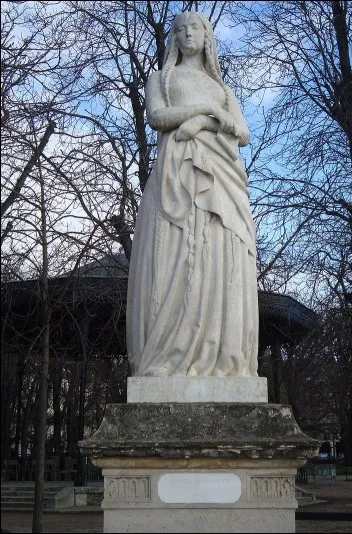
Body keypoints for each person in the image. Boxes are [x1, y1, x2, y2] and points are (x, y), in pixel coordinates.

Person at [126, 11, 259, 377]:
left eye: (195, 28)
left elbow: (243, 133)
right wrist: (204, 112)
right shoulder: (162, 78)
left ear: (207, 37)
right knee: (174, 260)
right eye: (180, 29)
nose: (187, 34)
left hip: (222, 178)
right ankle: (168, 354)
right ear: (173, 38)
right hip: (175, 175)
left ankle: (222, 357)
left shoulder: (223, 90)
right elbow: (157, 117)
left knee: (219, 257)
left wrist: (204, 120)